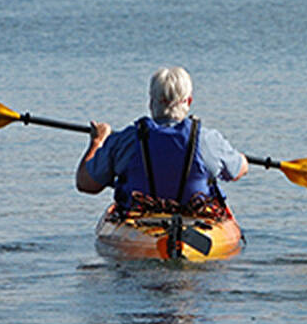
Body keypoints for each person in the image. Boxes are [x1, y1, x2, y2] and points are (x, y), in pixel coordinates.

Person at [76, 66, 248, 217]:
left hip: (139, 222)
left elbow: (85, 183)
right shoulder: (208, 140)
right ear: (188, 101)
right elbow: (238, 171)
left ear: (151, 102)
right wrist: (239, 158)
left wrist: (97, 141)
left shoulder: (125, 139)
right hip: (196, 220)